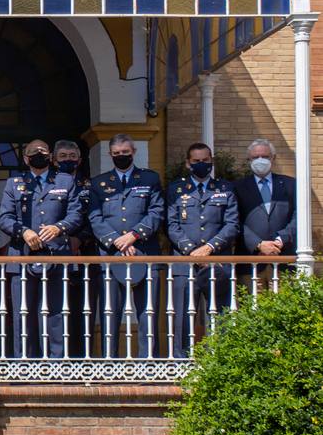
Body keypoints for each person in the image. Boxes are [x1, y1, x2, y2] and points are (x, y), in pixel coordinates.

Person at [0, 139, 82, 359]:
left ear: (50, 156)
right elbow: (4, 218)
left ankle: (56, 366)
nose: (38, 155)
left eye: (42, 152)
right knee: (23, 315)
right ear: (25, 158)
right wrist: (23, 232)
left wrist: (58, 228)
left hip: (57, 255)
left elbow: (75, 214)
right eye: (32, 153)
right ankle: (24, 366)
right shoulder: (14, 183)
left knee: (56, 315)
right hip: (22, 258)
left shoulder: (65, 181)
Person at [87, 133, 164, 358]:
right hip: (110, 256)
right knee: (110, 314)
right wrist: (116, 241)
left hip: (144, 252)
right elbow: (95, 218)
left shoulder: (149, 179)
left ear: (134, 153)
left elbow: (156, 212)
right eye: (117, 154)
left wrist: (134, 235)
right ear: (110, 154)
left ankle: (149, 364)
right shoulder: (98, 183)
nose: (121, 157)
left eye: (126, 153)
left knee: (147, 314)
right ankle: (109, 364)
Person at [166, 142, 238, 359]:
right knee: (182, 317)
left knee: (219, 314)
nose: (201, 164)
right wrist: (192, 251)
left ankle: (221, 361)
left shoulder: (225, 189)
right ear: (188, 163)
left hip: (217, 262)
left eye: (205, 161)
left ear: (212, 162)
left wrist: (208, 248)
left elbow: (232, 224)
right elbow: (171, 225)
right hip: (185, 264)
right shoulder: (176, 189)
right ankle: (181, 364)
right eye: (196, 161)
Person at [54, 139, 100, 358]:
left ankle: (85, 359)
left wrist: (80, 239)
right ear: (54, 161)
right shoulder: (49, 185)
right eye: (63, 157)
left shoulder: (90, 187)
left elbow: (96, 217)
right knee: (58, 309)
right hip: (56, 253)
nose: (68, 160)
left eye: (72, 157)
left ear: (80, 160)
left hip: (85, 254)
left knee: (85, 309)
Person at [232, 139, 296, 292]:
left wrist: (281, 240)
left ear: (273, 158)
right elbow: (234, 220)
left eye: (265, 156)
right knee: (252, 310)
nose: (260, 160)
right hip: (250, 262)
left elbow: (298, 217)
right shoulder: (236, 187)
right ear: (249, 160)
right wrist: (259, 244)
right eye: (255, 157)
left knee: (284, 310)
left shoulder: (290, 184)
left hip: (283, 260)